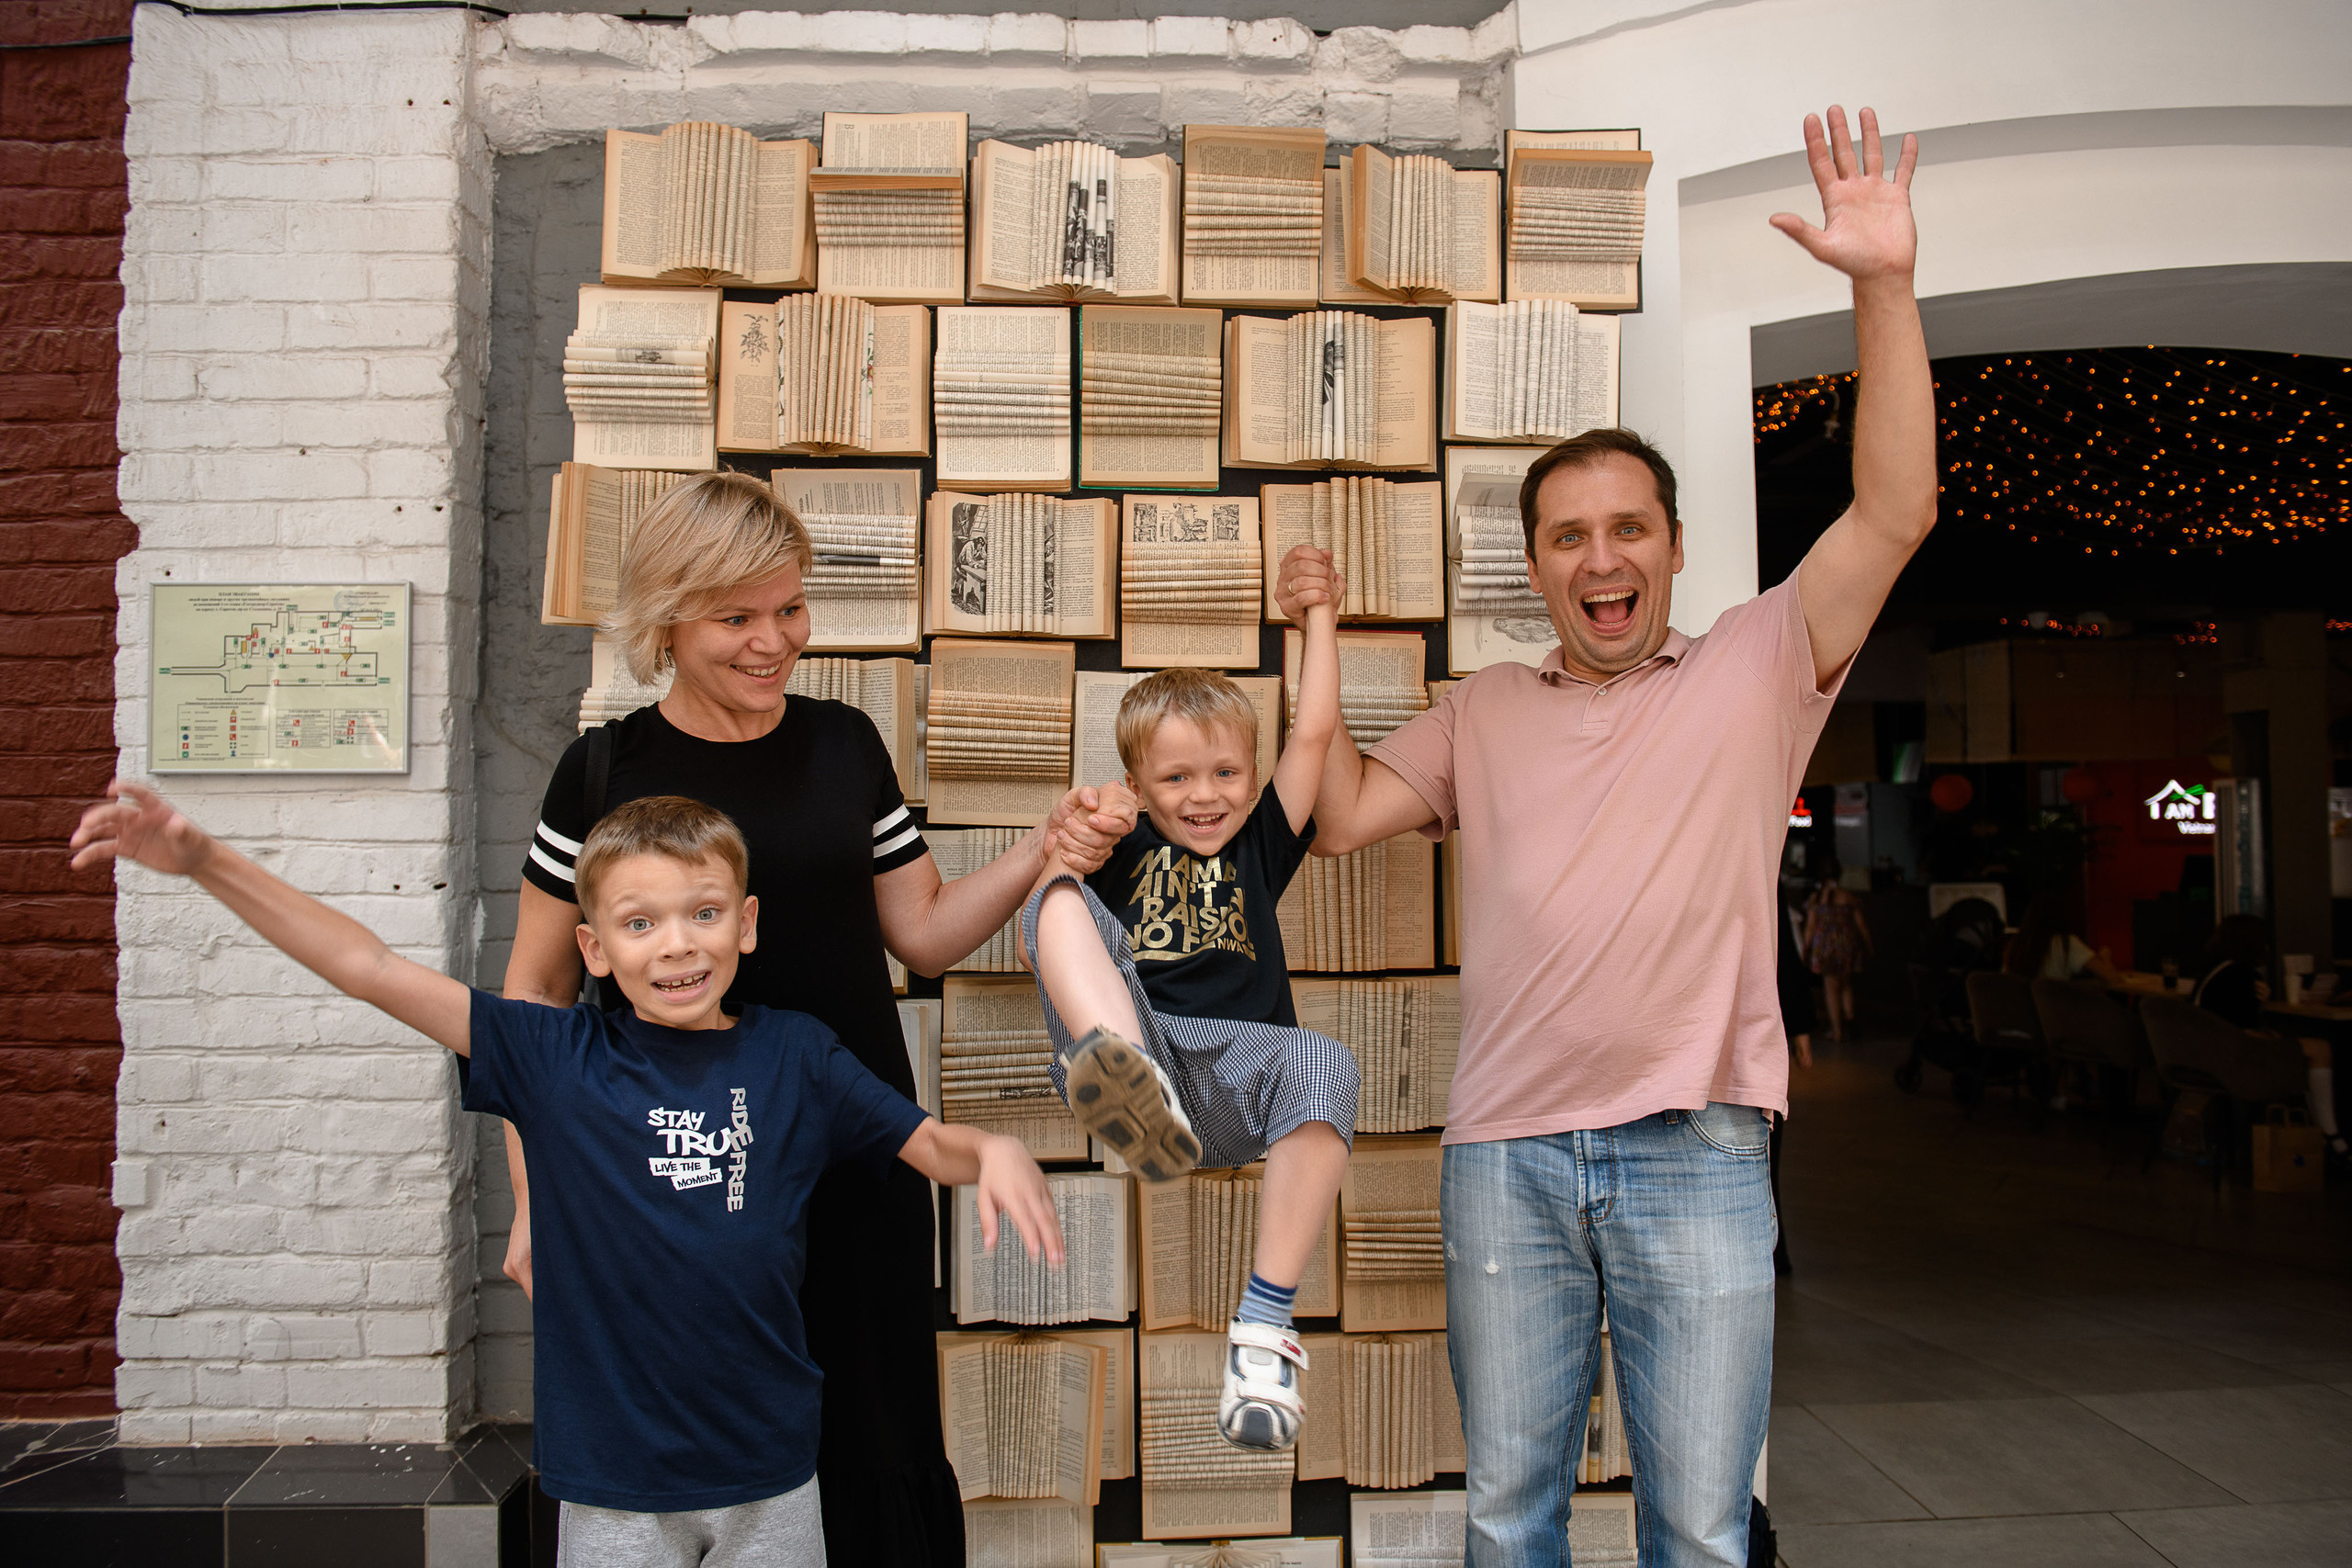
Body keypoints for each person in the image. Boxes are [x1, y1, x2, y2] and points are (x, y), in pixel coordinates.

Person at [1278, 107, 1934, 1565]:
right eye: (1569, 535)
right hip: (1505, 1151)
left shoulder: (1759, 668)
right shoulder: (1483, 705)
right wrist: (1315, 634)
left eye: (1628, 527)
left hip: (1698, 1146)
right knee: (1510, 1520)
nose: (1601, 556)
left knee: (1699, 1526)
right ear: (1537, 567)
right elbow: (1327, 820)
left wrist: (1880, 283)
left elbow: (1894, 511)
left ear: (1675, 547)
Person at [68, 786, 1066, 1565]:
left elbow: (932, 1146)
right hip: (615, 1482)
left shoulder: (798, 1056)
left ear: (746, 924)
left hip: (769, 1470)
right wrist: (203, 860)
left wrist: (998, 1150)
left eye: (703, 912)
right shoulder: (554, 1057)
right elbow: (368, 965)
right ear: (591, 947)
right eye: (640, 923)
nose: (677, 943)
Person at [498, 471, 1127, 1565]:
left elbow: (922, 934)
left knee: (868, 1427)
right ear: (666, 617)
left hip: (853, 1155)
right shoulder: (599, 770)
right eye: (735, 617)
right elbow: (535, 996)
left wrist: (1043, 848)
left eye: (788, 609)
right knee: (682, 1463)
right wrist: (532, 1201)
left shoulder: (843, 744)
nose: (771, 641)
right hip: (670, 1181)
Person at [1018, 579, 1357, 1453]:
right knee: (1054, 895)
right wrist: (1089, 828)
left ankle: (1264, 1330)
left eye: (1225, 773)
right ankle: (1128, 1076)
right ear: (1138, 782)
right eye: (1175, 777)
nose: (1203, 796)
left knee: (1326, 1060)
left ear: (1252, 778)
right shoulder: (1125, 846)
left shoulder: (1262, 842)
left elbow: (1312, 730)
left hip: (1245, 1072)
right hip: (1147, 1051)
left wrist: (1318, 614)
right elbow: (1069, 870)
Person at [2196, 914, 2345, 1158]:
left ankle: (2326, 1136)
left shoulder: (2212, 969)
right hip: (2231, 1061)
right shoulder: (2243, 975)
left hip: (2204, 1056)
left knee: (2300, 1051)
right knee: (2318, 1050)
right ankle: (2329, 1134)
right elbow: (2244, 1030)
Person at [1801, 856, 1871, 1043]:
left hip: (1824, 947)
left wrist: (1805, 949)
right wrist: (1869, 946)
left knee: (1830, 988)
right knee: (1846, 984)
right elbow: (1861, 925)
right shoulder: (1848, 897)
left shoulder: (1816, 899)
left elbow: (1810, 928)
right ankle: (1850, 1018)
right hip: (1846, 945)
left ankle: (1836, 1030)